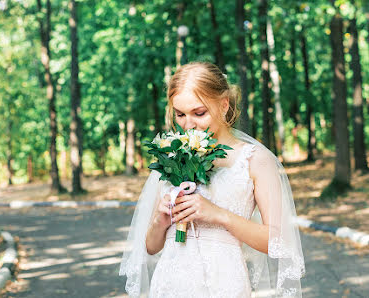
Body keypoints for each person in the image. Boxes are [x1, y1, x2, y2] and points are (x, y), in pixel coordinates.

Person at [119, 62, 305, 297]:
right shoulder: (173, 156)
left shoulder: (254, 160)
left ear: (224, 104)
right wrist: (161, 218)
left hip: (223, 284)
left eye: (199, 113)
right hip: (169, 284)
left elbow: (276, 241)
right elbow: (151, 246)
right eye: (180, 114)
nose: (188, 124)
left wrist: (218, 214)